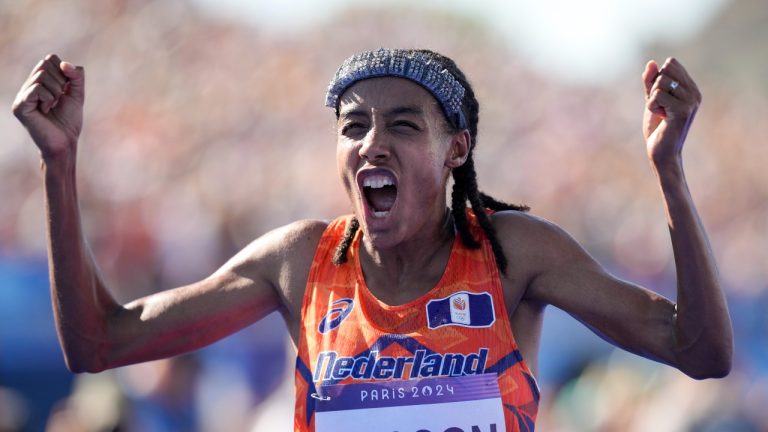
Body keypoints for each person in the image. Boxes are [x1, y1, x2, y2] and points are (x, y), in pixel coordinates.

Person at [12, 48, 732, 432]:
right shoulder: (300, 261)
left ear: (457, 149)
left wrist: (669, 170)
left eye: (403, 125)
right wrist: (60, 163)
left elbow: (698, 351)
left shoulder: (513, 254)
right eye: (354, 127)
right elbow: (100, 344)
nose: (372, 144)